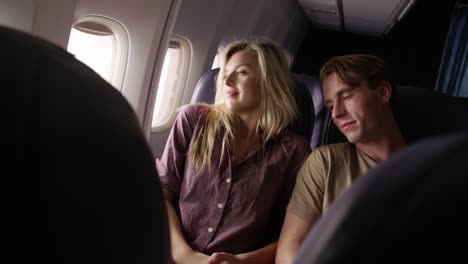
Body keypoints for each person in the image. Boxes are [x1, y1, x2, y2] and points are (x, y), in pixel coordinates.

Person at [156, 38, 311, 264]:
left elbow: (291, 234)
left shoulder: (294, 151)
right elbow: (162, 195)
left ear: (268, 82)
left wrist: (242, 262)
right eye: (226, 72)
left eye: (242, 73)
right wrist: (186, 256)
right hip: (172, 251)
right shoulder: (192, 120)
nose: (226, 80)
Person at [276, 54, 407, 263]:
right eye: (329, 105)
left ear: (383, 92)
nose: (336, 113)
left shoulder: (431, 171)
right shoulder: (325, 163)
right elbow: (289, 250)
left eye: (346, 96)